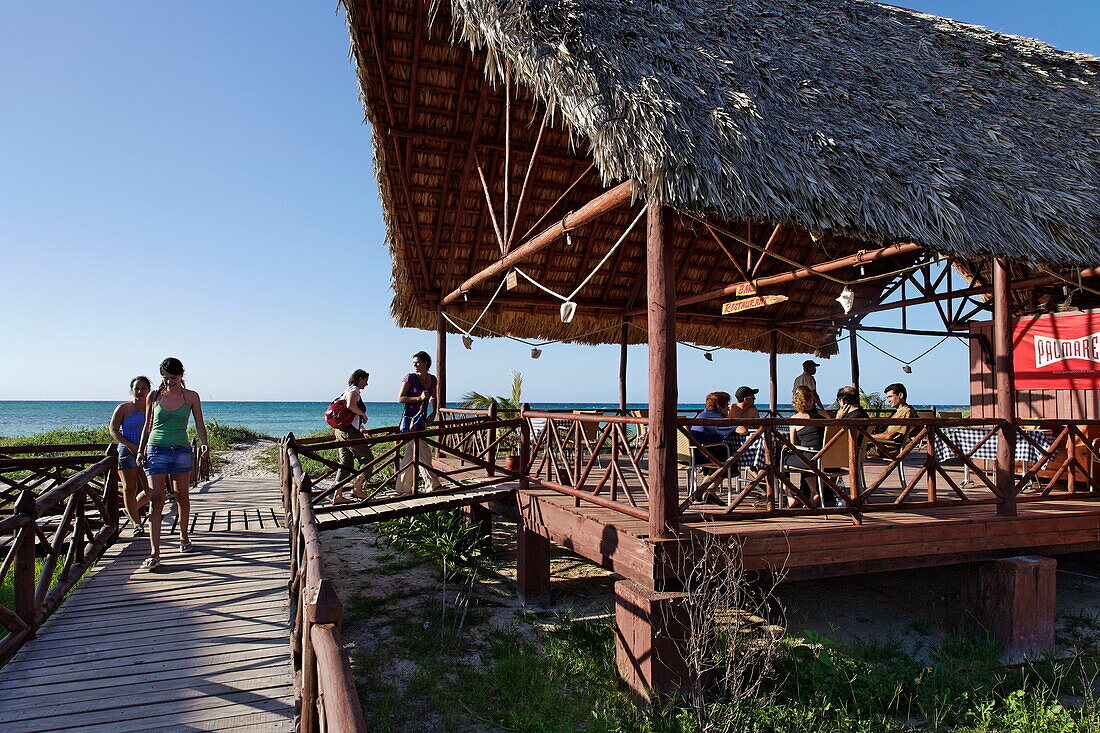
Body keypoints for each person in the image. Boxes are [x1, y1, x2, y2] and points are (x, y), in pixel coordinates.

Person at [136, 357, 208, 570]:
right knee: (156, 499)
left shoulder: (192, 396)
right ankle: (154, 553)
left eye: (173, 378)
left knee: (182, 496)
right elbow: (147, 427)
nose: (169, 382)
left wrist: (204, 444)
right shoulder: (154, 396)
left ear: (182, 374)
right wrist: (140, 450)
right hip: (156, 449)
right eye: (165, 378)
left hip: (182, 450)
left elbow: (200, 423)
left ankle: (184, 537)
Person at [108, 376, 152, 532]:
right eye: (136, 388)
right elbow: (113, 429)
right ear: (131, 390)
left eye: (143, 388)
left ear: (149, 390)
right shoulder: (123, 408)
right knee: (129, 488)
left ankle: (130, 509)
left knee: (151, 490)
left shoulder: (153, 407)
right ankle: (136, 523)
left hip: (148, 452)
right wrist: (130, 445)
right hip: (127, 451)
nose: (139, 392)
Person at [395, 351, 442, 495]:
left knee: (410, 456)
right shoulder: (409, 377)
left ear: (426, 363)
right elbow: (400, 398)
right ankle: (432, 485)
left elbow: (434, 396)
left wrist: (434, 412)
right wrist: (418, 398)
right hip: (410, 421)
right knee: (424, 453)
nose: (414, 365)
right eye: (413, 362)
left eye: (418, 362)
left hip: (421, 420)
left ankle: (402, 488)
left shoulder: (432, 379)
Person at [782, 385, 831, 504]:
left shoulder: (795, 419)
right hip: (829, 459)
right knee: (808, 458)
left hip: (811, 460)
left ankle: (791, 495)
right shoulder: (823, 414)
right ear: (812, 399)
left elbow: (793, 445)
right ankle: (816, 493)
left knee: (780, 459)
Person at [333, 369, 374, 504]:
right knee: (368, 458)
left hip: (341, 431)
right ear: (360, 379)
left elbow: (350, 417)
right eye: (366, 380)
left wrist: (362, 429)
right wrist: (363, 414)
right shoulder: (354, 390)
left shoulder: (346, 391)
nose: (367, 384)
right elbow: (351, 406)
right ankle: (357, 487)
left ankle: (337, 495)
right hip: (349, 433)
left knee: (346, 463)